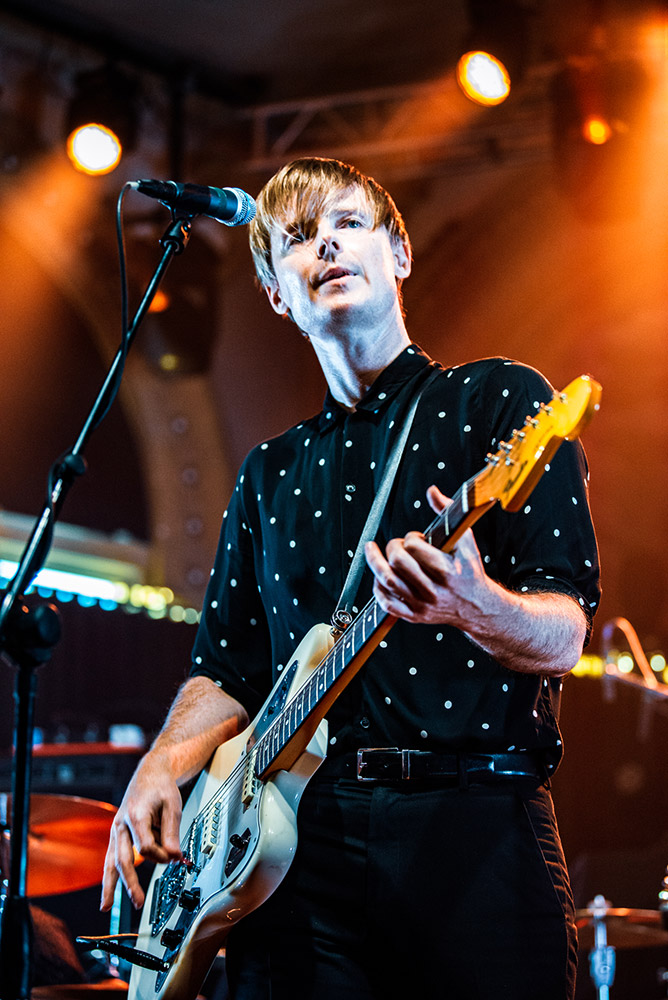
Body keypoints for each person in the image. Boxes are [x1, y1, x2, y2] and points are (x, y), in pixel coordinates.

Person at [101, 157, 600, 1000]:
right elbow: (226, 669)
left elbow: (566, 633)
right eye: (297, 238)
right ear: (275, 294)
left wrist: (474, 606)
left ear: (397, 255)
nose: (324, 243)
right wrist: (158, 766)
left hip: (473, 830)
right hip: (295, 850)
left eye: (348, 223)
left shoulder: (500, 402)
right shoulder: (267, 471)